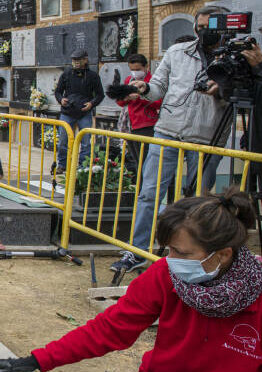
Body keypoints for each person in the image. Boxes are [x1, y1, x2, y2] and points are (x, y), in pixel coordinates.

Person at [0, 188, 262, 372]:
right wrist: (37, 360)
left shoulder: (257, 292)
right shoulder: (166, 275)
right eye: (169, 249)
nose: (171, 259)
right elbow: (109, 329)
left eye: (182, 253)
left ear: (223, 254)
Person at [111, 6, 232, 273]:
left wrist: (223, 89)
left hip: (207, 137)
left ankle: (191, 256)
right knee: (148, 193)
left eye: (211, 27)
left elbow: (244, 93)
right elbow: (159, 89)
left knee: (199, 199)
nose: (205, 32)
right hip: (168, 131)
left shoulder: (233, 57)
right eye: (200, 27)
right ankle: (137, 252)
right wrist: (144, 89)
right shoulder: (178, 52)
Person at [53, 49, 104, 174]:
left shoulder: (93, 76)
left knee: (86, 142)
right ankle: (62, 165)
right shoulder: (66, 74)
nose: (75, 62)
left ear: (85, 60)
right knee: (63, 141)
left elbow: (100, 95)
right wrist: (61, 100)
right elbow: (58, 91)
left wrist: (91, 104)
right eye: (73, 60)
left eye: (78, 60)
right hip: (67, 112)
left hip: (84, 113)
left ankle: (83, 166)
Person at [114, 53, 162, 169]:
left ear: (146, 67)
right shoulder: (129, 80)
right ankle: (140, 185)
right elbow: (120, 101)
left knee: (146, 160)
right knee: (137, 161)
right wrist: (127, 98)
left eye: (138, 69)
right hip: (131, 125)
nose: (135, 72)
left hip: (147, 125)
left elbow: (158, 103)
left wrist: (142, 96)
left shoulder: (153, 82)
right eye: (132, 69)